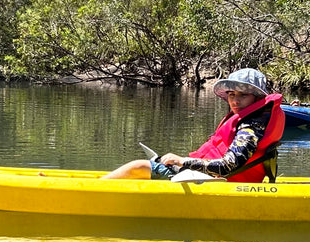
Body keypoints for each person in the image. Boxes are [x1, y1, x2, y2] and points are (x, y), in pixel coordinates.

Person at [104, 67, 285, 182]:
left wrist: (183, 161)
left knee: (139, 167)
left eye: (243, 95)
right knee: (150, 165)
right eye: (231, 95)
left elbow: (228, 166)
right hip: (213, 177)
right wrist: (182, 164)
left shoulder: (250, 128)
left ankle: (91, 189)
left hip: (221, 182)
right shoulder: (252, 120)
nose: (235, 101)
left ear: (257, 98)